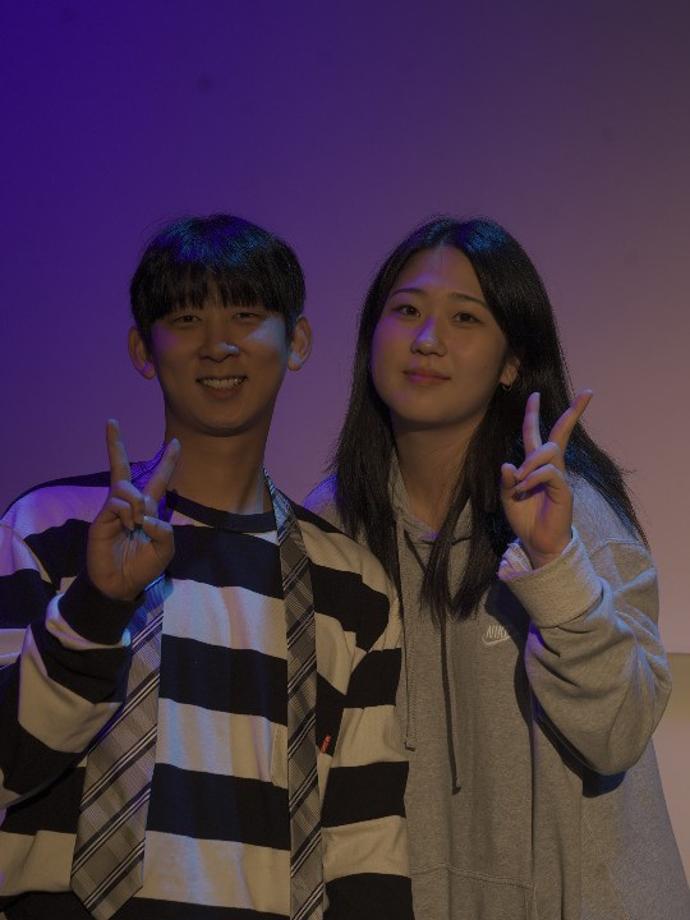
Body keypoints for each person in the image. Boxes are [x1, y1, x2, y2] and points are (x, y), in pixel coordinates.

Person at [0, 214, 414, 920]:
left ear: (297, 342)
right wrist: (96, 606)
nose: (218, 343)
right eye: (186, 318)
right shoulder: (50, 530)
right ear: (143, 349)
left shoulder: (353, 585)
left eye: (246, 316)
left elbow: (365, 843)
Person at [305, 217, 689, 919]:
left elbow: (618, 734)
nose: (428, 340)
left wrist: (554, 565)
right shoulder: (331, 529)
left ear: (512, 362)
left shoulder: (570, 513)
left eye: (464, 318)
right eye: (406, 311)